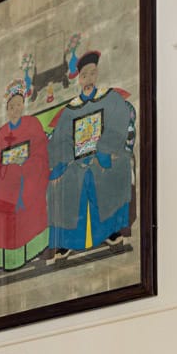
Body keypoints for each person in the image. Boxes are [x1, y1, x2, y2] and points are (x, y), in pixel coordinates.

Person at [46, 49, 135, 258]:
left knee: (115, 169)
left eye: (92, 73)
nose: (88, 79)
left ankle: (111, 231)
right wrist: (64, 163)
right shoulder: (70, 110)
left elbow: (120, 124)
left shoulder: (110, 98)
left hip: (104, 154)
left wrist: (104, 151)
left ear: (97, 74)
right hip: (75, 161)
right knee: (62, 183)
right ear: (79, 79)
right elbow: (59, 141)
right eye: (84, 75)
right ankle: (67, 241)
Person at [0, 80, 50, 279]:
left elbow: (40, 152)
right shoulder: (1, 134)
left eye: (18, 105)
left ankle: (34, 253)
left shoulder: (32, 124)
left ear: (23, 105)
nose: (15, 109)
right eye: (11, 107)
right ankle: (0, 262)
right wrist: (4, 173)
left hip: (28, 178)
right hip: (5, 183)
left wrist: (24, 168)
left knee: (28, 200)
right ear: (7, 110)